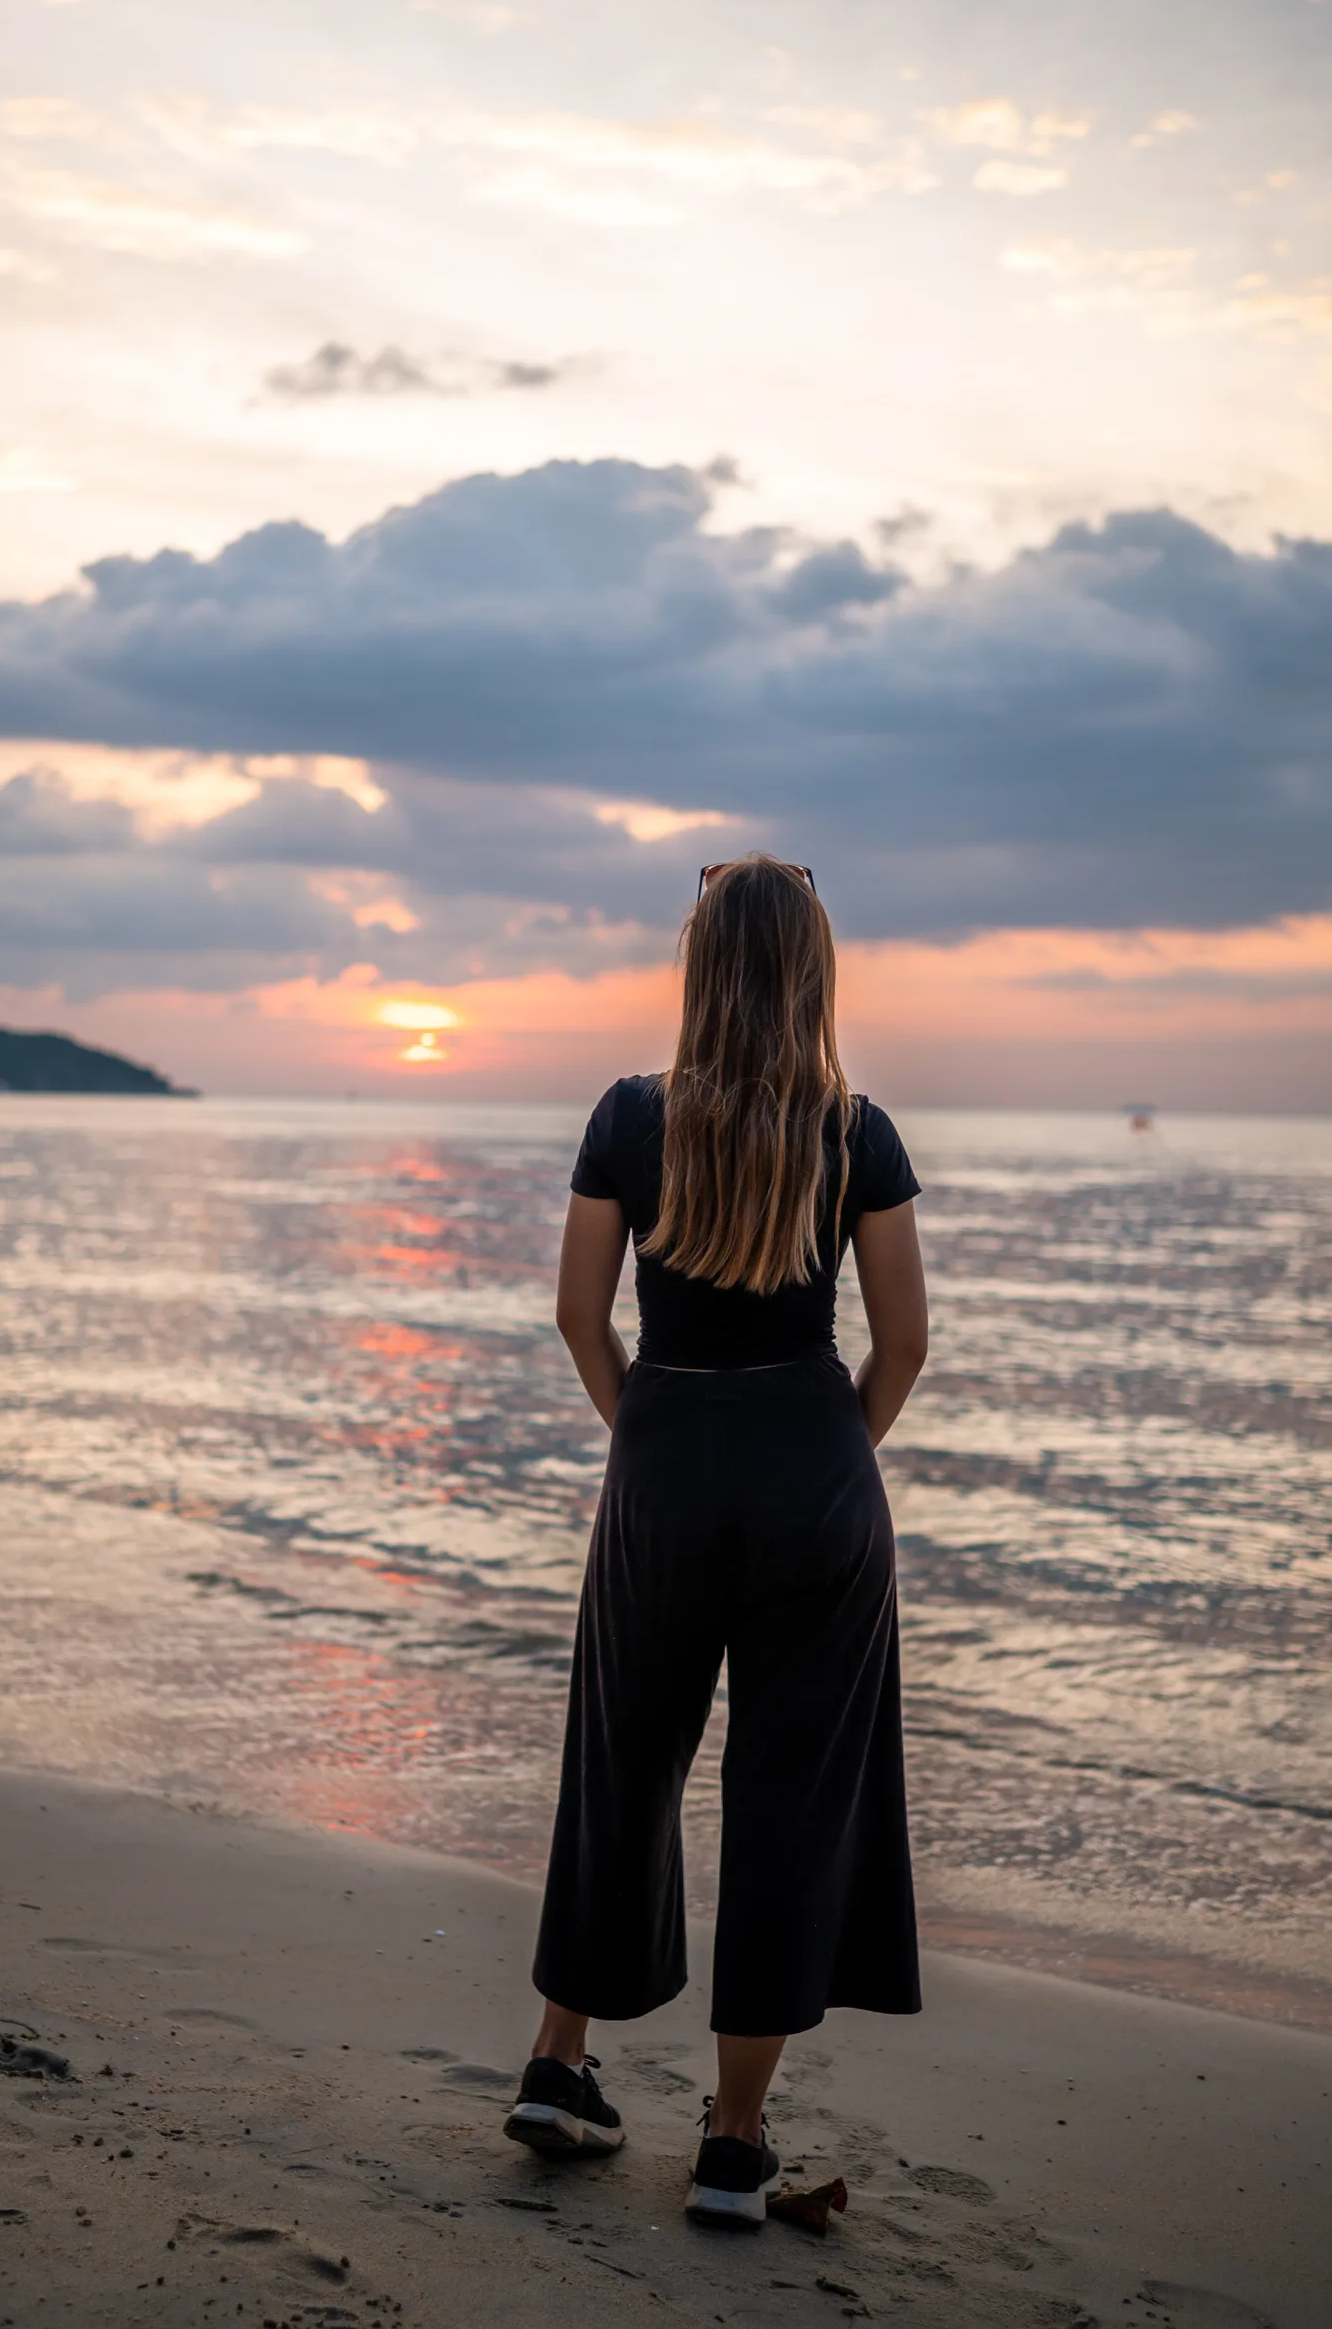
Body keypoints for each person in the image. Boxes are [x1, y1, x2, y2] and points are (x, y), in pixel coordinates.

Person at [503, 855, 929, 2229]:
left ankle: (559, 2068)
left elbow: (578, 1314)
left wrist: (655, 1438)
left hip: (664, 1467)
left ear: (697, 963)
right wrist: (820, 1463)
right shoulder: (853, 1131)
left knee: (620, 1765)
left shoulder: (629, 1119)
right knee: (791, 1805)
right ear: (812, 969)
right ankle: (735, 2147)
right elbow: (904, 1343)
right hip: (815, 1474)